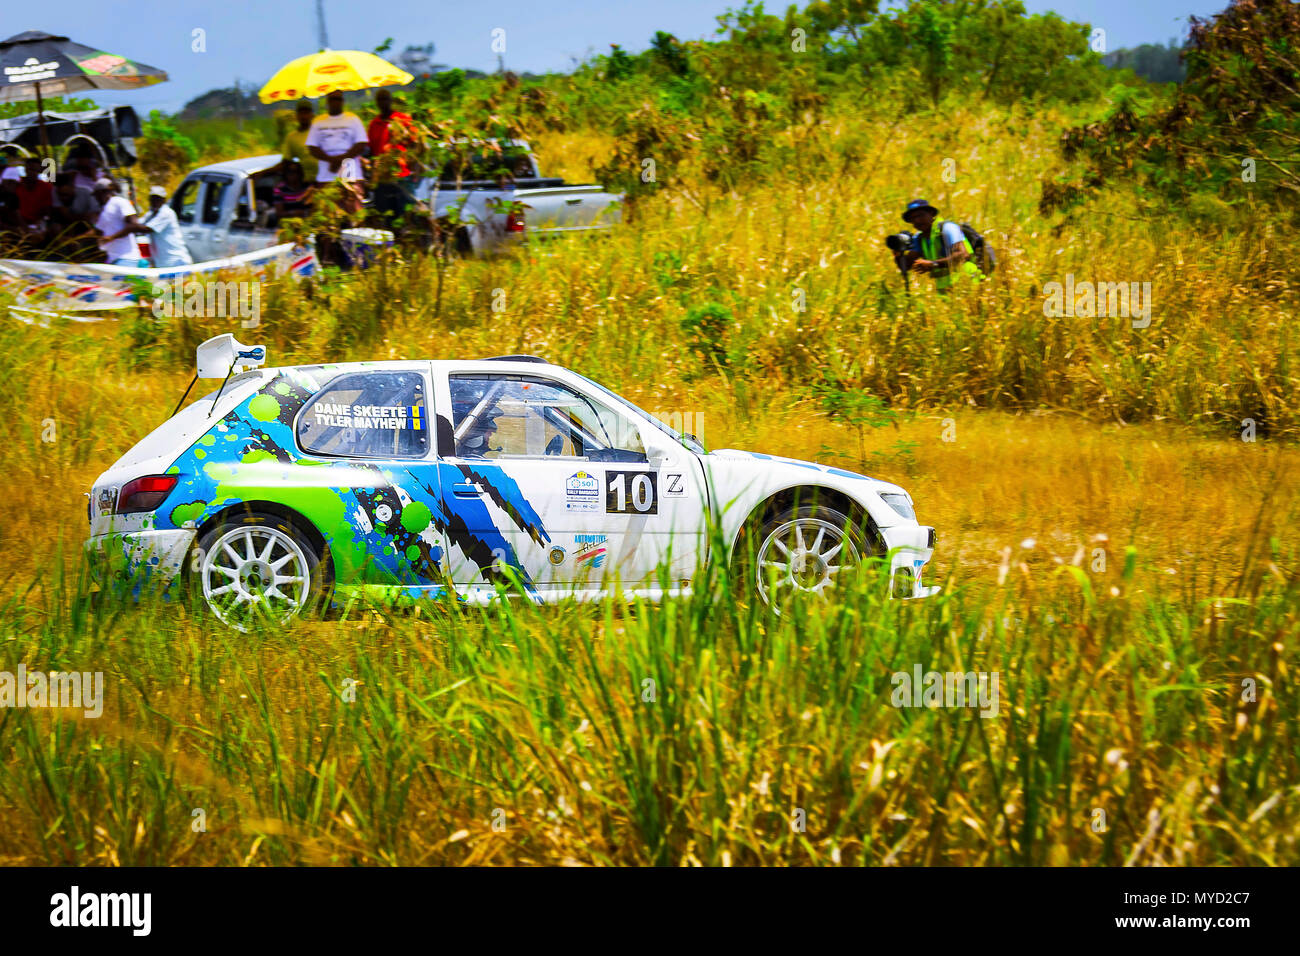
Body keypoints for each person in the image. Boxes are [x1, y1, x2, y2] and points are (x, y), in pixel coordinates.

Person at [897, 199, 980, 293]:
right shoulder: (919, 238)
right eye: (913, 218)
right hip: (945, 288)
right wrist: (898, 253)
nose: (917, 220)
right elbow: (906, 266)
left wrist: (933, 264)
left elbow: (962, 255)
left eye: (920, 215)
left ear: (931, 214)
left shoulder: (948, 228)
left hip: (967, 281)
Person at [367, 89, 416, 218]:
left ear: (390, 101)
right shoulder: (374, 124)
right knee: (384, 215)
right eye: (380, 99)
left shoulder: (402, 120)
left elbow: (413, 142)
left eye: (385, 99)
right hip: (382, 178)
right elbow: (372, 150)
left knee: (404, 214)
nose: (383, 102)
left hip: (401, 175)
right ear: (376, 102)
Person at [305, 91, 368, 183]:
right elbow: (312, 147)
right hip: (326, 177)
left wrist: (341, 160)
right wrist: (331, 160)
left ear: (342, 101)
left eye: (338, 99)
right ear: (327, 101)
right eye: (332, 99)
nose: (335, 102)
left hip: (350, 175)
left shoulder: (353, 119)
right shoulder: (318, 121)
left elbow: (361, 144)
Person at [92, 178, 146, 267]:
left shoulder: (119, 202)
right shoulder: (104, 211)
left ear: (101, 192)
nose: (95, 199)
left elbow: (133, 225)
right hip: (113, 259)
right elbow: (97, 231)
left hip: (126, 258)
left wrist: (111, 237)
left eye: (96, 195)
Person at [140, 185, 193, 268]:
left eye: (158, 199)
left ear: (163, 200)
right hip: (164, 265)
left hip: (177, 262)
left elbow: (146, 229)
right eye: (153, 198)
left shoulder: (166, 213)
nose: (154, 201)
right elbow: (138, 225)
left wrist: (127, 228)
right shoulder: (150, 214)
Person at [278, 99, 319, 182]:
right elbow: (286, 162)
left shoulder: (320, 132)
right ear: (296, 116)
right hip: (307, 182)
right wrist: (263, 173)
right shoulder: (291, 137)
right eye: (301, 113)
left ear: (312, 115)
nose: (304, 116)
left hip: (326, 179)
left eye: (306, 113)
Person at [15, 157, 53, 226]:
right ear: (25, 169)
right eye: (31, 169)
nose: (33, 173)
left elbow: (47, 210)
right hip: (17, 223)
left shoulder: (46, 187)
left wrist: (39, 222)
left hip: (37, 223)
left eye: (36, 170)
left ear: (40, 171)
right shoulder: (16, 185)